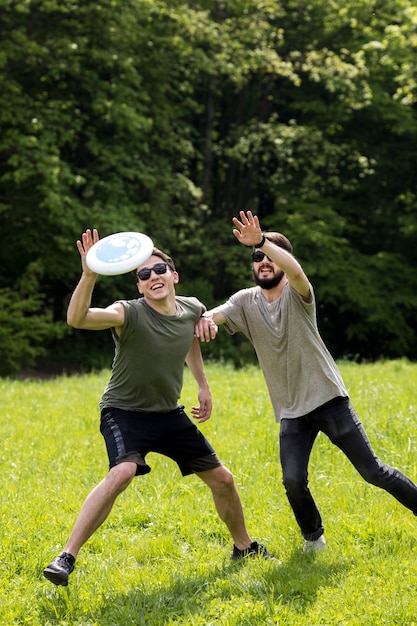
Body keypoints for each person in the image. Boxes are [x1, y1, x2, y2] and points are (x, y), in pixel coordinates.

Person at [43, 228, 271, 586]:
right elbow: (78, 319)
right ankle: (66, 557)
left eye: (159, 270)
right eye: (143, 275)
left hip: (167, 414)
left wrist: (202, 385)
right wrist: (89, 274)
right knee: (122, 472)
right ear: (138, 285)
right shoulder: (127, 313)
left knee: (223, 480)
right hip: (123, 412)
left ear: (174, 274)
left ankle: (244, 547)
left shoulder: (192, 307)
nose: (153, 277)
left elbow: (189, 338)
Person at [195, 210, 417, 553]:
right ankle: (314, 540)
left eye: (270, 255)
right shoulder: (245, 301)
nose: (264, 261)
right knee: (293, 480)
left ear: (282, 260)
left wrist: (262, 241)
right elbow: (216, 313)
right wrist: (203, 320)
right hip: (291, 411)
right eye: (257, 258)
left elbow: (297, 272)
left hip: (328, 399)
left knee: (373, 472)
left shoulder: (298, 294)